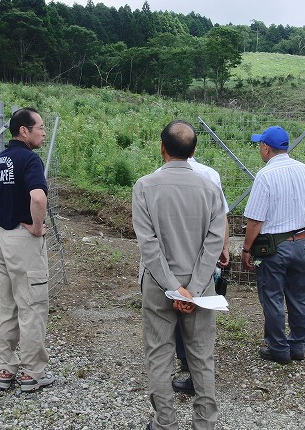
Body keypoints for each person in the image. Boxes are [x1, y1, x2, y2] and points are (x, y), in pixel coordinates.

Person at [132, 120, 226, 430]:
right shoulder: (210, 188)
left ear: (162, 148)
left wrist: (174, 288)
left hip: (159, 283)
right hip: (201, 284)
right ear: (194, 150)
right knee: (201, 357)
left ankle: (165, 423)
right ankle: (205, 424)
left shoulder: (144, 187)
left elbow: (148, 245)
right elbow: (214, 244)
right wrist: (195, 288)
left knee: (159, 355)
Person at [0, 107, 55, 392]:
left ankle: (4, 369)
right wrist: (36, 226)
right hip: (24, 241)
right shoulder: (29, 160)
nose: (43, 132)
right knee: (32, 306)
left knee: (4, 305)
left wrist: (1, 207)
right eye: (40, 127)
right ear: (24, 130)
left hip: (0, 238)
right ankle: (32, 373)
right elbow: (37, 196)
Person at [242, 125, 305, 364]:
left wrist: (247, 248)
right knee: (300, 296)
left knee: (273, 296)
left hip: (273, 248)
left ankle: (278, 348)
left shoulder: (265, 175)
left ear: (266, 148)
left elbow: (255, 220)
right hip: (300, 241)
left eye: (260, 145)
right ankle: (298, 345)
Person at [171, 156, 230, 396]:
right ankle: (200, 369)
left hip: (173, 257)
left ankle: (184, 358)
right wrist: (224, 247)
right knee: (202, 313)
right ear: (193, 147)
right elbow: (221, 216)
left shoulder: (157, 177)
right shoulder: (210, 174)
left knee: (175, 305)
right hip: (204, 254)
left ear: (164, 147)